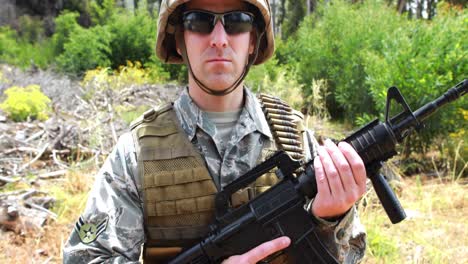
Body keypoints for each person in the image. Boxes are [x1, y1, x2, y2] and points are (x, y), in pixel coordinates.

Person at [63, 0, 367, 263]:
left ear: (252, 40)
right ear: (179, 40)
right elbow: (85, 258)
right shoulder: (138, 151)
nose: (219, 39)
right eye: (199, 21)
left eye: (237, 21)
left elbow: (350, 252)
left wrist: (330, 220)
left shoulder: (294, 139)